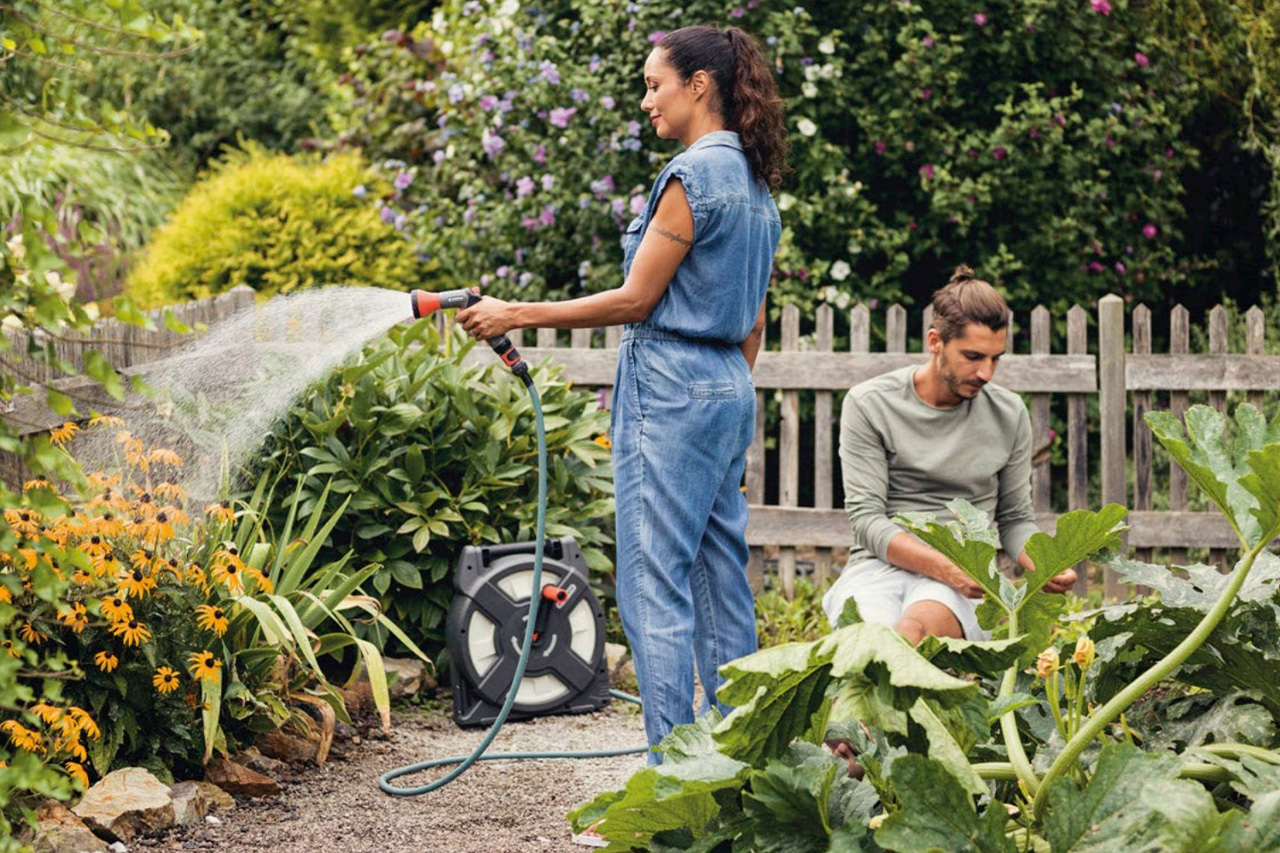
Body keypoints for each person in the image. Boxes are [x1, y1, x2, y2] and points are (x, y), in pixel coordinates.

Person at [457, 25, 788, 766]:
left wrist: (516, 313)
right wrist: (722, 395)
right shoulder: (758, 185)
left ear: (699, 85)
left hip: (671, 389)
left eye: (654, 84)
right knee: (720, 580)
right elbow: (756, 319)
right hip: (729, 385)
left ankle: (671, 781)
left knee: (654, 585)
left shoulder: (690, 177)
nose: (647, 101)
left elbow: (638, 300)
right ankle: (741, 764)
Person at [822, 266, 1077, 645]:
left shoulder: (1009, 414)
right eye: (973, 356)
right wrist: (948, 568)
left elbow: (1014, 520)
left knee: (912, 634)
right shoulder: (869, 403)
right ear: (935, 341)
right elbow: (867, 522)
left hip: (965, 581)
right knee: (870, 643)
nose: (986, 373)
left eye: (995, 358)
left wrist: (1043, 561)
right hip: (879, 567)